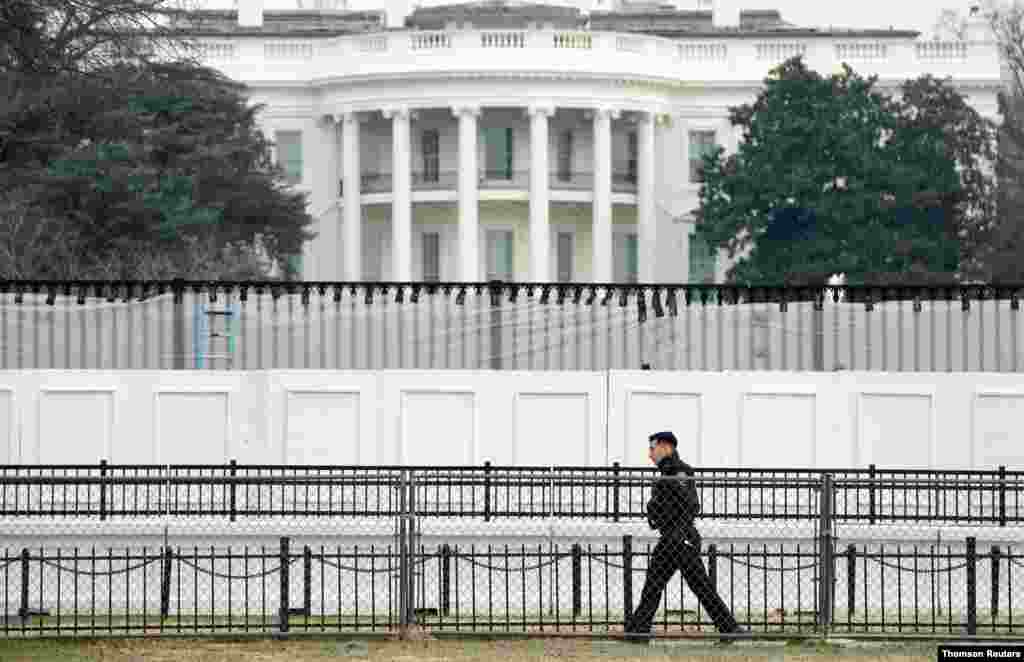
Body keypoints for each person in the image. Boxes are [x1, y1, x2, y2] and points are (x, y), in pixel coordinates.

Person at [624, 431, 749, 644]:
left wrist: (658, 509)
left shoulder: (679, 472)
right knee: (658, 584)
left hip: (680, 539)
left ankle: (728, 627)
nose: (650, 454)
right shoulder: (667, 473)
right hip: (672, 539)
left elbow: (690, 505)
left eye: (652, 449)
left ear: (665, 447)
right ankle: (639, 630)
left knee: (694, 585)